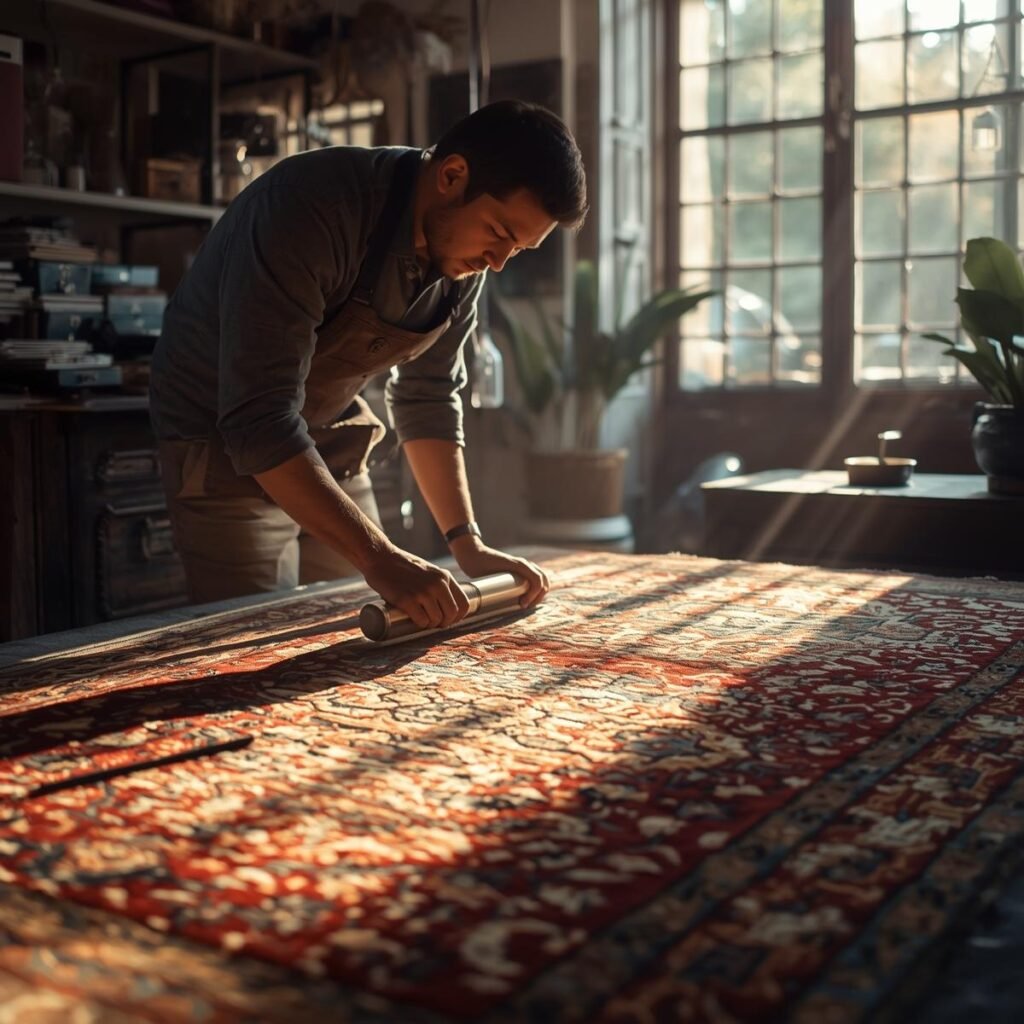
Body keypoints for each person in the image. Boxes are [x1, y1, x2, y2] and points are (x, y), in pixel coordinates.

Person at [149, 100, 588, 632]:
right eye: (498, 233)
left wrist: (466, 544)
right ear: (452, 175)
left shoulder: (463, 259)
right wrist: (380, 557)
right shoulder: (312, 207)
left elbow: (427, 396)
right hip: (220, 442)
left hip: (327, 434)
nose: (497, 262)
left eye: (517, 249)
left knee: (372, 624)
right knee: (257, 639)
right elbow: (257, 417)